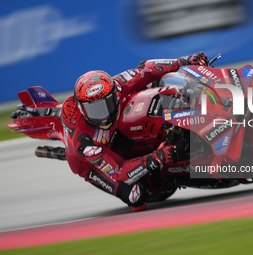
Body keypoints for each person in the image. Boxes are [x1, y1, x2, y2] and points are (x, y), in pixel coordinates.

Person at [61, 52, 209, 211]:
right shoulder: (86, 143)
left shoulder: (117, 86)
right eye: (95, 110)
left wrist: (184, 61)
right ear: (83, 110)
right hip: (93, 164)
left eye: (106, 105)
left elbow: (146, 69)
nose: (103, 115)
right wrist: (157, 157)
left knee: (157, 81)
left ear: (114, 95)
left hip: (118, 131)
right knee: (136, 197)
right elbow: (119, 171)